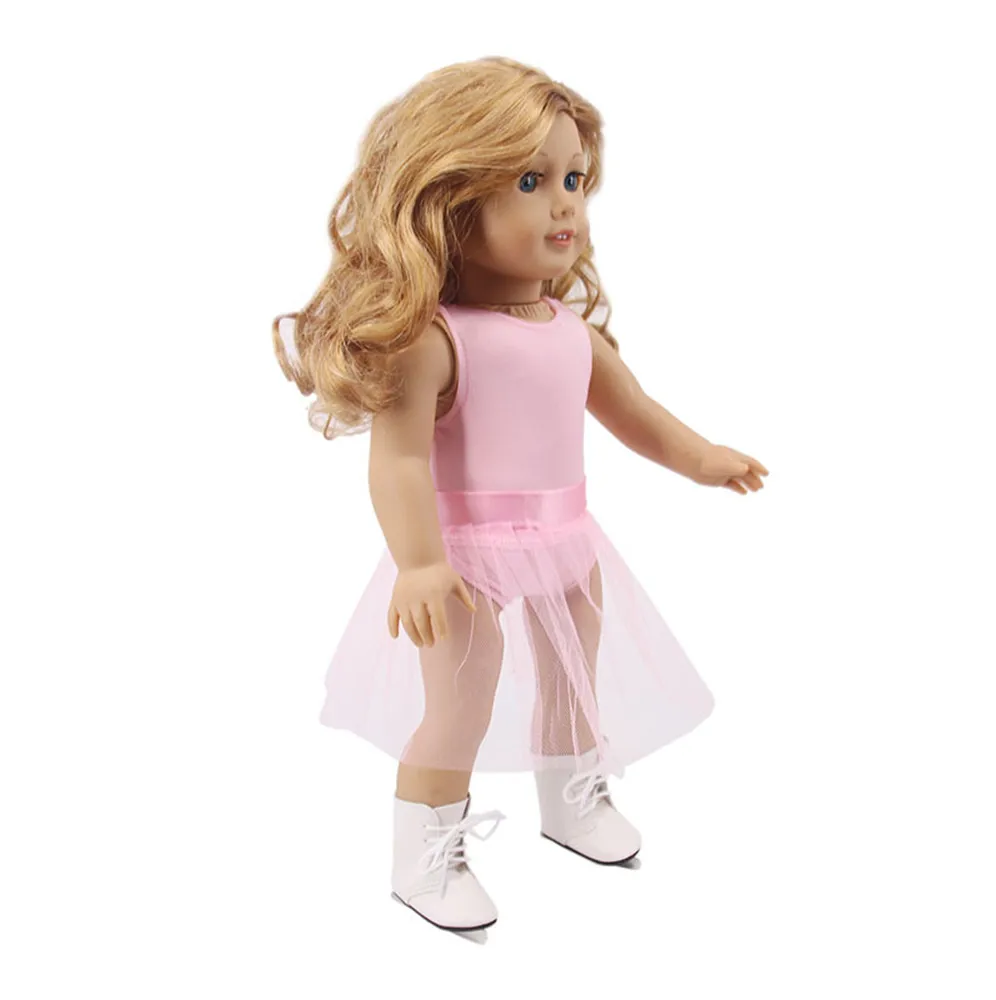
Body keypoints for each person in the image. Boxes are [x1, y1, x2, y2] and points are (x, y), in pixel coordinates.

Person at [272, 56, 769, 934]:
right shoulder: (434, 341)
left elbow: (636, 414)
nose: (566, 204)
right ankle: (425, 852)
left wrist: (702, 459)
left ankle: (571, 795)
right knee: (461, 699)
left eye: (574, 180)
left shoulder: (570, 331)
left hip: (568, 536)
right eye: (532, 183)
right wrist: (419, 563)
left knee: (575, 676)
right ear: (450, 203)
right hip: (463, 553)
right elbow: (398, 462)